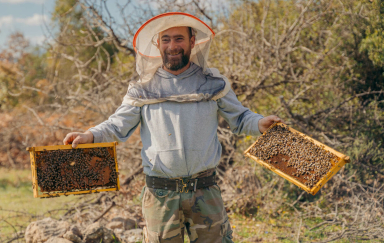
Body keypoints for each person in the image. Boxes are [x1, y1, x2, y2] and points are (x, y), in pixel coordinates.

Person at [63, 12, 283, 242]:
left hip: (205, 190)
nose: (172, 46)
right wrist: (90, 135)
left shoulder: (213, 83)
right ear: (157, 44)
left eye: (179, 39)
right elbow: (117, 124)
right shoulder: (143, 88)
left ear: (192, 41)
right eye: (166, 39)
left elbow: (241, 118)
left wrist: (259, 123)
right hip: (160, 194)